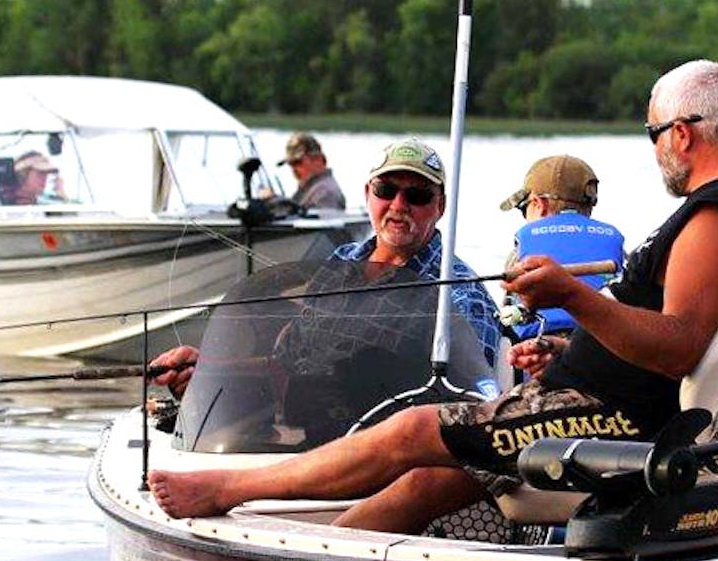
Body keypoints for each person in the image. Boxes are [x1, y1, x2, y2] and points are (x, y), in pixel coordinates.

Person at [147, 60, 718, 535]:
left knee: (409, 431)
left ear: (682, 134)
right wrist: (569, 339)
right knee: (429, 481)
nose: (657, 151)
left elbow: (679, 346)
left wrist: (572, 295)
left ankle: (227, 489)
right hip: (586, 400)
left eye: (653, 135)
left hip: (609, 420)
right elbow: (670, 334)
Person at [150, 137, 502, 401]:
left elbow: (472, 401)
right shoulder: (343, 260)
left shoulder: (462, 294)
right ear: (368, 193)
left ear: (439, 206)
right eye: (386, 189)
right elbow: (290, 359)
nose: (399, 205)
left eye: (418, 196)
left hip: (388, 448)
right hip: (313, 425)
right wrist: (208, 370)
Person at [498, 155, 626, 339]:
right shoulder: (620, 253)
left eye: (523, 209)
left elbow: (508, 318)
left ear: (538, 204)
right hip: (604, 349)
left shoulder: (519, 255)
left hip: (538, 351)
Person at [277, 131, 346, 211]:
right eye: (290, 164)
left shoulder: (325, 193)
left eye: (297, 162)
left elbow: (323, 222)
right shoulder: (311, 189)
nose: (294, 169)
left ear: (317, 159)